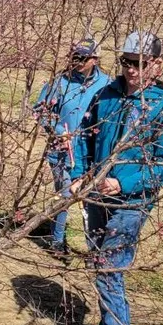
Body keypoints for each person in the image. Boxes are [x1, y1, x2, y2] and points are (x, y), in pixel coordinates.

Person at [67, 30, 163, 325]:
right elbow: (87, 136)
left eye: (141, 63)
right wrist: (77, 173)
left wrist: (124, 182)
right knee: (100, 264)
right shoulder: (107, 94)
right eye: (128, 62)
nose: (133, 69)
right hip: (96, 196)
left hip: (131, 203)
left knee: (107, 269)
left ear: (157, 65)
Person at [33, 38, 110, 257]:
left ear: (94, 60)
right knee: (65, 194)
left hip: (91, 154)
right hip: (60, 152)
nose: (77, 62)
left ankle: (95, 250)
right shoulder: (60, 82)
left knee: (92, 201)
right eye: (74, 57)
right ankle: (57, 242)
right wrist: (58, 130)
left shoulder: (107, 85)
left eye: (83, 58)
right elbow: (39, 110)